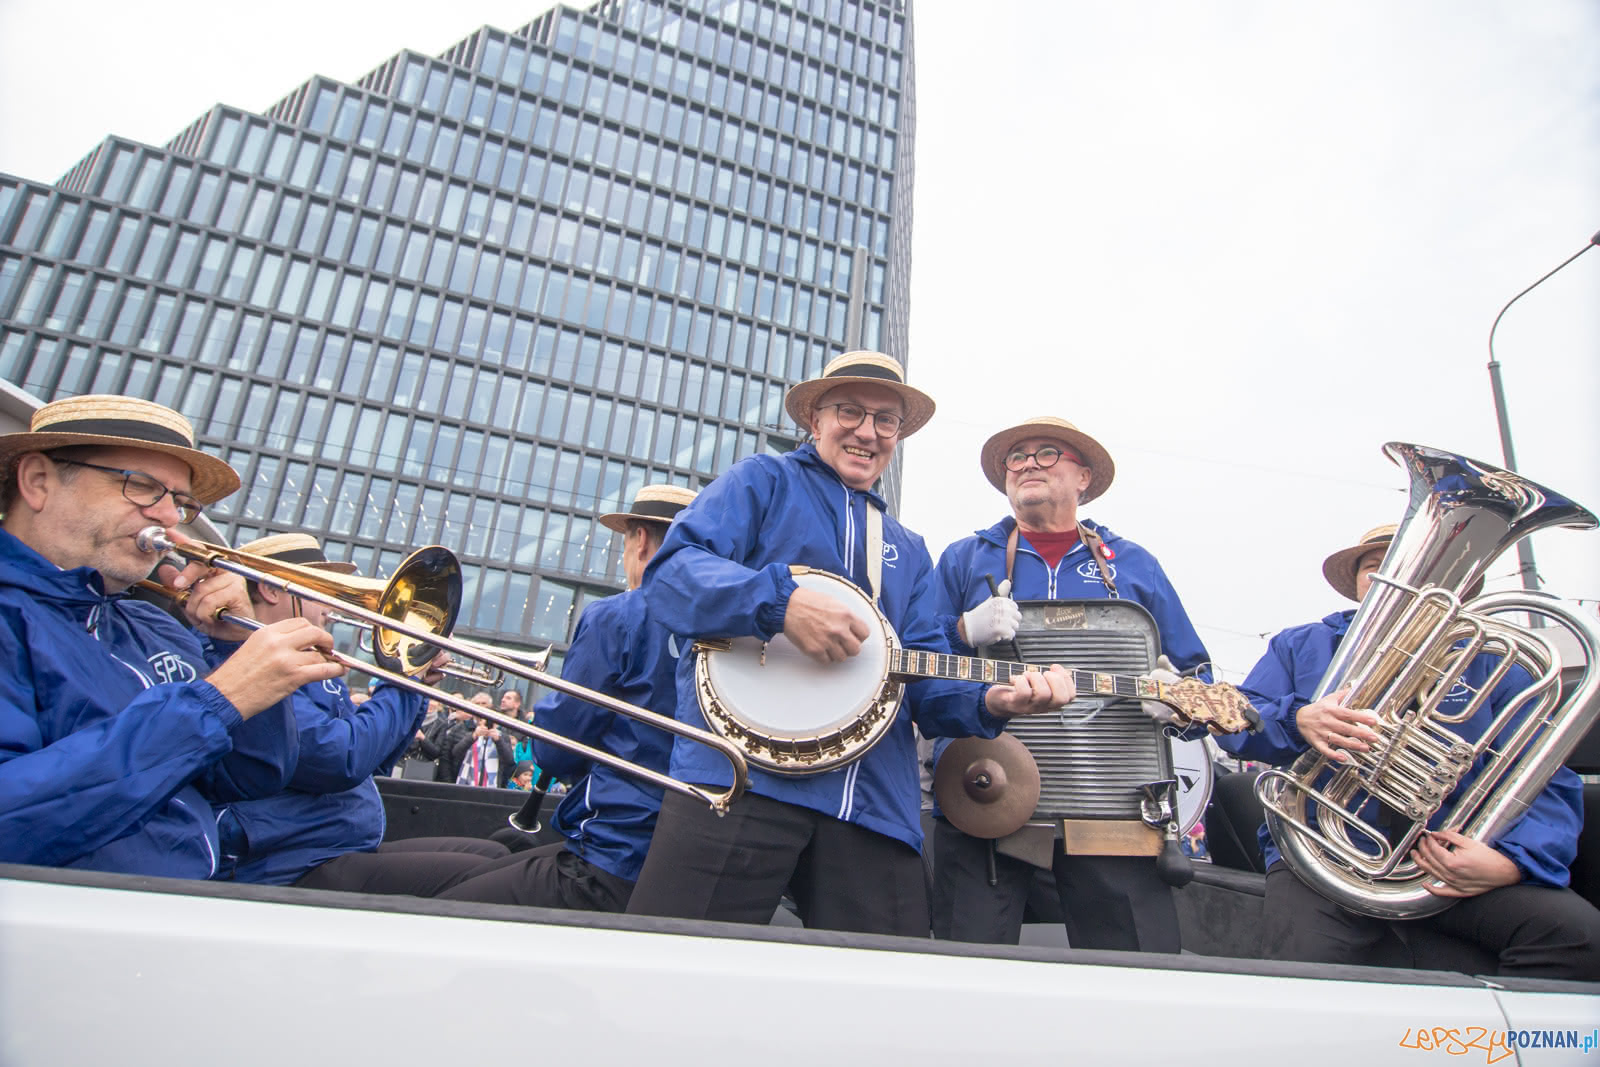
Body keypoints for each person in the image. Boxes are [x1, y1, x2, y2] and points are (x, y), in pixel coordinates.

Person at [624, 351, 1076, 936]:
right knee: (671, 972)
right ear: (815, 420)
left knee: (881, 1002)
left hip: (873, 808)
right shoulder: (760, 482)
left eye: (886, 420)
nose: (868, 431)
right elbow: (673, 574)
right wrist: (780, 605)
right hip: (739, 780)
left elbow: (923, 682)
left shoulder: (909, 548)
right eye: (850, 412)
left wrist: (991, 702)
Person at [1215, 524, 1600, 979]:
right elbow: (1235, 721)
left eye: (1421, 569)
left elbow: (1543, 776)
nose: (1396, 579)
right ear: (1359, 583)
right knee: (1303, 979)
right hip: (1323, 857)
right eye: (1377, 568)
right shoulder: (1300, 646)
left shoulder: (1498, 662)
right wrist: (1298, 720)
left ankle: (1481, 1047)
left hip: (1448, 864)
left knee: (1582, 940)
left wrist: (1515, 861)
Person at [0, 394, 327, 877]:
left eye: (179, 502)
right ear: (38, 481)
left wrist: (236, 644)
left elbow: (249, 776)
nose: (170, 519)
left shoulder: (151, 623)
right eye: (142, 486)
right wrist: (216, 700)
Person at [928, 415, 1211, 952]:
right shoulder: (965, 559)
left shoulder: (1133, 566)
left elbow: (1200, 678)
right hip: (986, 798)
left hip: (1114, 810)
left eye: (1047, 452)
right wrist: (962, 629)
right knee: (971, 969)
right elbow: (920, 660)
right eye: (1018, 456)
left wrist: (1173, 699)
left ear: (1084, 477)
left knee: (1136, 973)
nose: (1029, 463)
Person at [213, 533, 508, 893]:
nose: (330, 606)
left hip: (333, 842)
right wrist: (401, 682)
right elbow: (343, 759)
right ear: (273, 590)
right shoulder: (242, 661)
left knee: (496, 856)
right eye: (318, 589)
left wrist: (415, 686)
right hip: (287, 859)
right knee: (480, 878)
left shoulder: (307, 658)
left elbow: (376, 762)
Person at [482, 485, 697, 910]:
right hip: (683, 857)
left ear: (638, 540)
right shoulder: (731, 625)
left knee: (450, 898)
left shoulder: (617, 614)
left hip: (614, 852)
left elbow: (557, 749)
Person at [453, 692, 514, 787]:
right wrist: (474, 736)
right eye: (478, 704)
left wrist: (498, 740)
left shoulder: (502, 735)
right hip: (467, 782)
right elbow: (455, 753)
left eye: (484, 704)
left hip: (492, 785)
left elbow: (509, 761)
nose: (481, 707)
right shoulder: (466, 730)